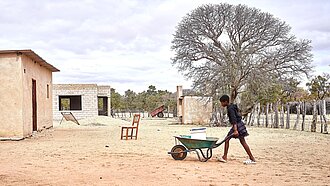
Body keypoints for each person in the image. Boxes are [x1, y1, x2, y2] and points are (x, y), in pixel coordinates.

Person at [218, 95, 256, 164]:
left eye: (222, 103)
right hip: (240, 124)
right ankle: (252, 158)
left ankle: (224, 157)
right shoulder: (232, 106)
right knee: (242, 141)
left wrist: (235, 130)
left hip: (237, 126)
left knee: (227, 139)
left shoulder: (230, 109)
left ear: (226, 102)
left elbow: (234, 119)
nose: (221, 104)